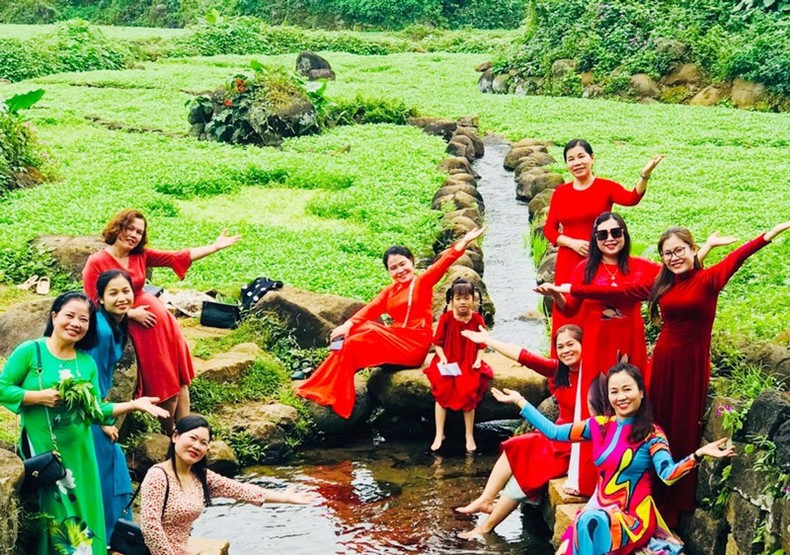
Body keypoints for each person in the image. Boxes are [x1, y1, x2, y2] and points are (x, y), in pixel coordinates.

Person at [558, 220, 789, 525]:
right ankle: (640, 492)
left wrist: (770, 234)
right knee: (655, 425)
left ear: (693, 250)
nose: (674, 257)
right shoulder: (661, 284)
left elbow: (738, 258)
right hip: (663, 361)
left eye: (680, 250)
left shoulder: (709, 280)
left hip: (690, 365)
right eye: (667, 253)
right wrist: (569, 288)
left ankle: (673, 503)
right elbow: (616, 290)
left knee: (682, 429)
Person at [492, 362, 735, 555]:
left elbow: (668, 475)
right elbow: (555, 433)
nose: (621, 397)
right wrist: (519, 402)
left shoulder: (652, 434)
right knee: (571, 542)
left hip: (634, 518)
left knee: (588, 523)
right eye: (614, 391)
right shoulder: (599, 426)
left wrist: (698, 455)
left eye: (627, 389)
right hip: (599, 507)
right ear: (608, 397)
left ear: (641, 392)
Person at [0, 292, 168, 554]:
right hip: (44, 451)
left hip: (80, 452)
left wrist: (134, 404)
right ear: (54, 316)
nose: (75, 323)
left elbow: (95, 411)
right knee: (53, 513)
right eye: (69, 315)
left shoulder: (85, 362)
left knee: (84, 508)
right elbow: (3, 388)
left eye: (84, 319)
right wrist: (37, 397)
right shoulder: (32, 352)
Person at [297, 227, 486, 419]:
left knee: (367, 332)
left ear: (411, 261)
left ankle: (334, 393)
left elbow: (443, 263)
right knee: (353, 333)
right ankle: (323, 383)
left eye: (402, 264)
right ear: (388, 271)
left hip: (414, 344)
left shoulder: (421, 282)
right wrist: (346, 326)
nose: (400, 271)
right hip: (397, 337)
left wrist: (464, 242)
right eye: (393, 268)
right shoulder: (390, 291)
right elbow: (370, 309)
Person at [82, 208, 241, 433]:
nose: (134, 235)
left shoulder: (140, 254)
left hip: (162, 322)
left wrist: (214, 247)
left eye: (139, 232)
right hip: (138, 325)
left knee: (180, 378)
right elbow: (93, 302)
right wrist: (130, 314)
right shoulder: (97, 262)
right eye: (130, 229)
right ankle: (170, 433)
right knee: (164, 383)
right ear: (117, 228)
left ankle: (186, 430)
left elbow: (177, 257)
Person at [536, 212, 724, 387]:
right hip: (596, 343)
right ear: (595, 239)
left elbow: (676, 271)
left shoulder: (640, 267)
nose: (610, 239)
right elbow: (569, 309)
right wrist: (555, 295)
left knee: (632, 391)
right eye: (602, 235)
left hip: (631, 340)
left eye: (616, 233)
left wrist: (706, 247)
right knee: (598, 393)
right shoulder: (584, 269)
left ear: (624, 235)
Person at [455, 325, 596, 538]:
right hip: (554, 436)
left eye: (571, 344)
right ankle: (486, 498)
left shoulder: (596, 374)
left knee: (525, 476)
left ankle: (484, 528)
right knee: (515, 445)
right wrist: (489, 341)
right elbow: (525, 357)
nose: (565, 350)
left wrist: (519, 401)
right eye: (560, 347)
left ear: (584, 345)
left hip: (576, 445)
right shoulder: (560, 371)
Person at [543, 139, 663, 351]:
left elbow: (632, 198)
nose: (577, 162)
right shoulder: (561, 193)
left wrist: (645, 174)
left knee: (595, 311)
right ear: (566, 164)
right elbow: (550, 230)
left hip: (599, 261)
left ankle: (596, 359)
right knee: (567, 309)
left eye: (581, 156)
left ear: (592, 158)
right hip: (568, 261)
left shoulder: (605, 187)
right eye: (571, 159)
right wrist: (571, 242)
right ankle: (563, 368)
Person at [140, 415, 317, 554]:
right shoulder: (158, 476)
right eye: (192, 438)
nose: (196, 446)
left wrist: (285, 498)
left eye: (203, 443)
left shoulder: (200, 476)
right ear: (176, 437)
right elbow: (150, 527)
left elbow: (241, 490)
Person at [85, 270, 135, 541]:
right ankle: (109, 534)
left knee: (111, 470)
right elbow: (87, 376)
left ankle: (110, 533)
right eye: (113, 293)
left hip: (97, 406)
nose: (121, 297)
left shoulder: (114, 323)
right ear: (100, 299)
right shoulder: (102, 331)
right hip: (90, 411)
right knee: (110, 472)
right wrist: (101, 420)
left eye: (126, 291)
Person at [423, 278, 493, 453]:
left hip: (468, 359)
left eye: (467, 298)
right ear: (451, 301)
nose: (463, 302)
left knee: (468, 390)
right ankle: (439, 433)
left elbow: (482, 344)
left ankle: (469, 435)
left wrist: (478, 360)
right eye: (458, 298)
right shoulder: (446, 319)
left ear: (473, 300)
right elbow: (437, 342)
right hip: (448, 359)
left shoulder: (476, 319)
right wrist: (443, 358)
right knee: (442, 389)